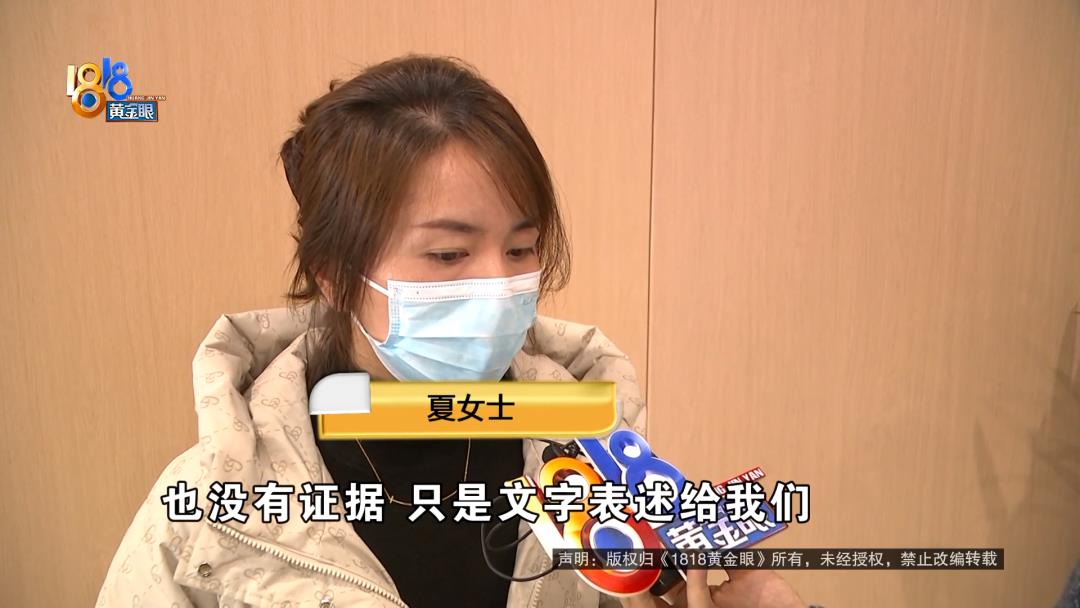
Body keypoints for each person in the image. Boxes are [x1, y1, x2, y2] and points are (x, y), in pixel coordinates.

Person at [96, 54, 805, 608]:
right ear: (335, 275)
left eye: (521, 248)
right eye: (448, 254)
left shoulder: (590, 461)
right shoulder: (212, 512)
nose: (499, 286)